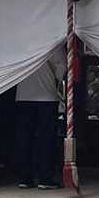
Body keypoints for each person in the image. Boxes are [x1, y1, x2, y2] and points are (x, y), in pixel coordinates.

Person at [13, 43, 66, 189]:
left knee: (24, 138)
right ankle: (45, 178)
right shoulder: (53, 45)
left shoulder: (22, 46)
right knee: (46, 139)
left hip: (23, 95)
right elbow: (60, 71)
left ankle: (24, 178)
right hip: (46, 97)